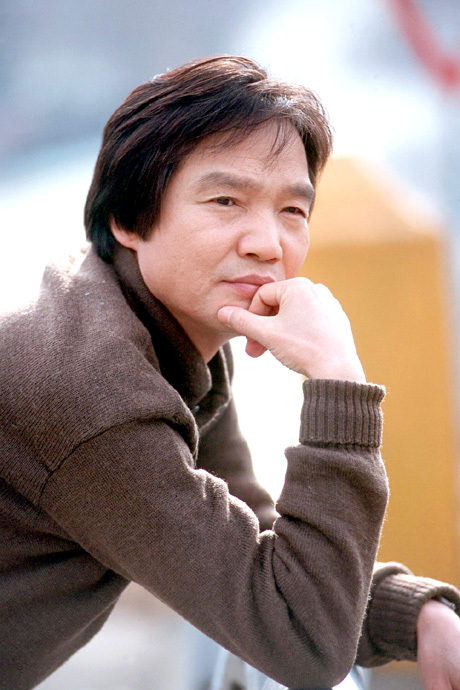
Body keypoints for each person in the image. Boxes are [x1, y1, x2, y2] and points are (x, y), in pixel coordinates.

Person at [1, 55, 459, 690]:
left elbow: (256, 544)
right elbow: (298, 637)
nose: (266, 243)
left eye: (292, 211)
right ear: (128, 219)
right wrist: (338, 382)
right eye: (226, 201)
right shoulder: (91, 390)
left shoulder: (162, 334)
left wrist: (417, 615)